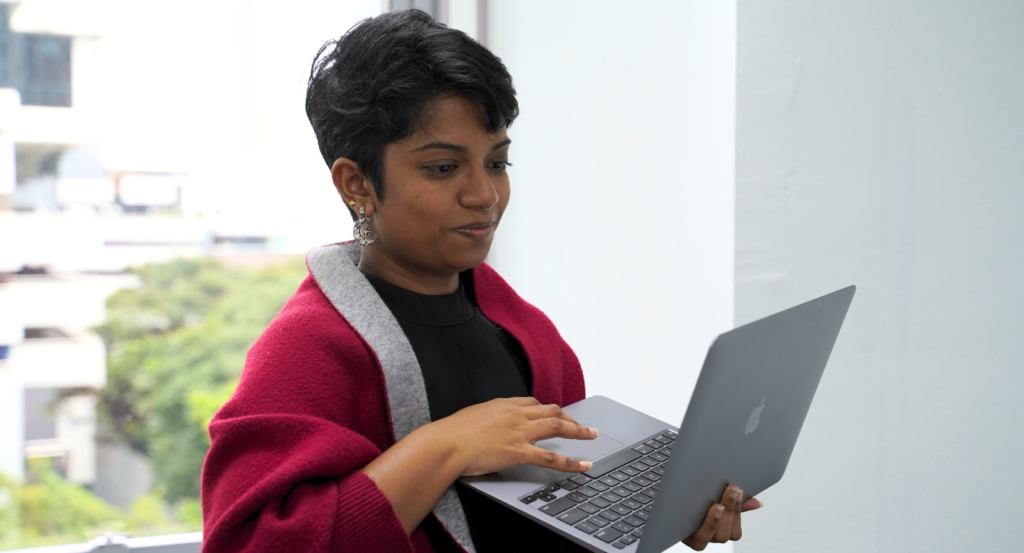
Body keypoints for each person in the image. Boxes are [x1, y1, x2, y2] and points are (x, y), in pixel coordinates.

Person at [200, 9, 760, 553]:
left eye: (497, 163)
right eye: (443, 168)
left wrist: (655, 512)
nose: (484, 195)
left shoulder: (528, 332)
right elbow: (248, 543)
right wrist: (444, 447)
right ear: (357, 185)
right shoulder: (308, 351)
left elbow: (557, 502)